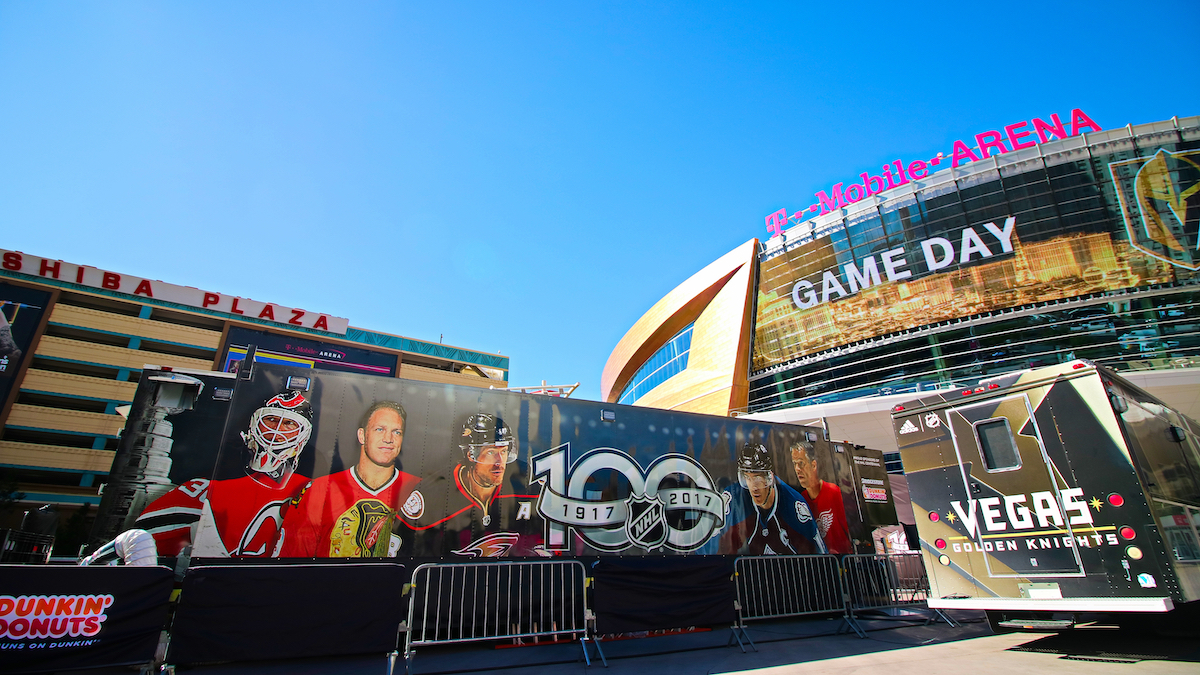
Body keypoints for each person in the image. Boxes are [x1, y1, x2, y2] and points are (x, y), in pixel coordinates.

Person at [135, 389, 314, 557]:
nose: (277, 429)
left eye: (289, 423)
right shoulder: (206, 489)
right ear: (254, 424)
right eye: (271, 419)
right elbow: (139, 544)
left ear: (303, 436)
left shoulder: (311, 490)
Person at [277, 400, 420, 557]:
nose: (388, 438)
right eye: (379, 429)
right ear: (362, 435)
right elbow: (293, 560)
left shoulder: (415, 489)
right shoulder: (320, 489)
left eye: (397, 432)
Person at [399, 413, 543, 557]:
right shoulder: (433, 494)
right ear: (470, 455)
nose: (500, 463)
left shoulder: (525, 480)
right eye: (491, 452)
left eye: (504, 451)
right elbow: (408, 550)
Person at [718, 442, 825, 556]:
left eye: (757, 477)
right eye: (748, 478)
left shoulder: (793, 505)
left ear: (769, 477)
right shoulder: (734, 500)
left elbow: (818, 555)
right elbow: (720, 547)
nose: (754, 487)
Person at [791, 442, 852, 554]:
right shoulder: (801, 500)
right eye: (794, 464)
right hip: (821, 562)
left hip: (842, 559)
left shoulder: (834, 492)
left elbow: (849, 526)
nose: (797, 469)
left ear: (813, 465)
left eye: (801, 463)